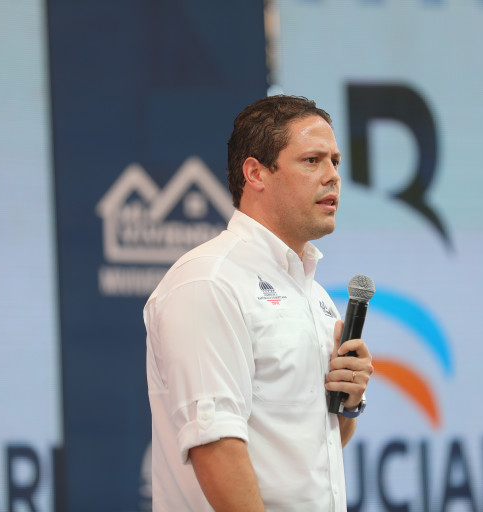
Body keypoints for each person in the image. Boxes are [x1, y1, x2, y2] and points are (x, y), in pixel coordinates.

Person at [144, 95, 373, 511]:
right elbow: (215, 447)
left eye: (336, 162)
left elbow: (316, 447)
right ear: (255, 173)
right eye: (312, 160)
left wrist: (348, 404)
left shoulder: (315, 296)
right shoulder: (210, 281)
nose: (333, 176)